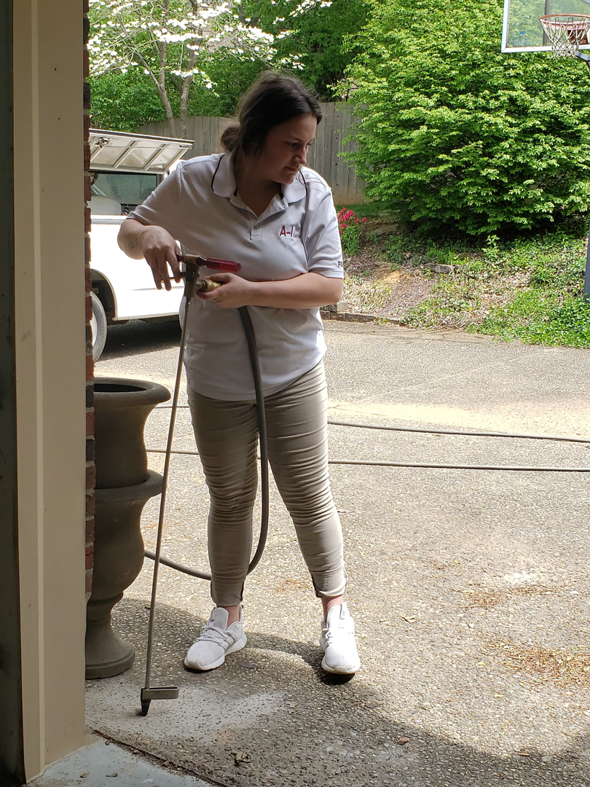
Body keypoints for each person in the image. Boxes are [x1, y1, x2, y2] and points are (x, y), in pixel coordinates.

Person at [118, 72, 360, 676]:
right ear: (253, 136)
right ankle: (227, 618)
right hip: (215, 372)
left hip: (292, 368)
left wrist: (250, 291)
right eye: (290, 144)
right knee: (229, 497)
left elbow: (328, 285)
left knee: (307, 494)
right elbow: (128, 233)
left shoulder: (311, 191)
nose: (301, 158)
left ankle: (336, 615)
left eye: (307, 145)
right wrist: (152, 232)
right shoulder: (193, 180)